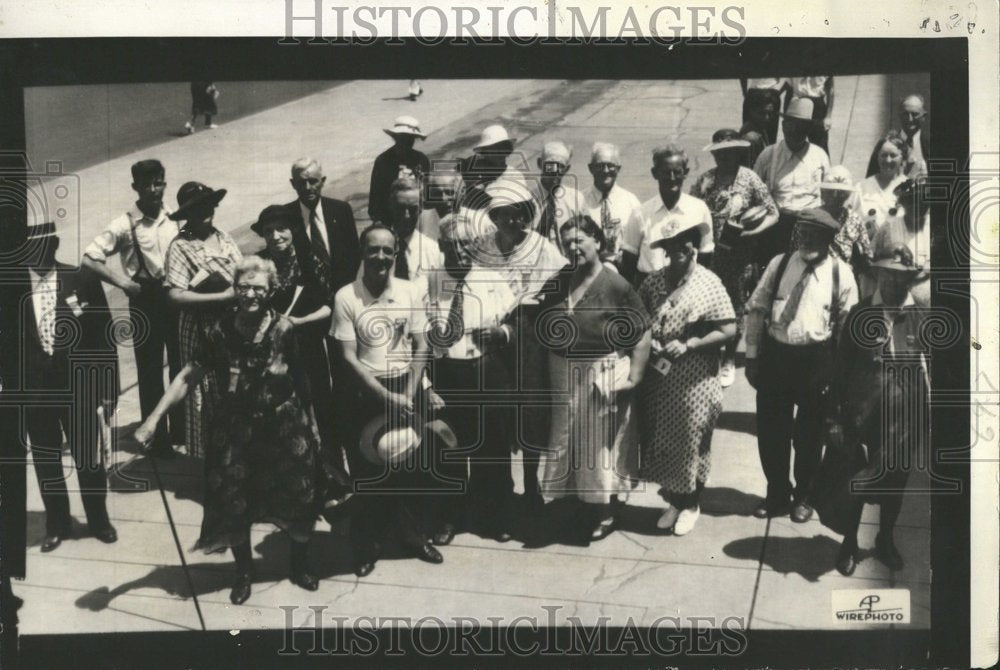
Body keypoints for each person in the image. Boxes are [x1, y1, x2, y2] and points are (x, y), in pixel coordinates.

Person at [136, 257, 329, 604]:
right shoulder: (218, 331)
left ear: (271, 291)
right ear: (234, 290)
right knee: (234, 500)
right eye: (244, 287)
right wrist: (153, 420)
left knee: (299, 494)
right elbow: (187, 376)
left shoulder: (284, 329)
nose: (251, 294)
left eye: (259, 288)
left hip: (285, 425)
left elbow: (302, 378)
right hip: (235, 428)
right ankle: (243, 572)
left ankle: (299, 564)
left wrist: (313, 424)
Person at [332, 224, 444, 577]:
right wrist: (385, 395)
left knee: (409, 469)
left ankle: (413, 536)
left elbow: (422, 345)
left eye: (387, 250)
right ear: (362, 254)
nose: (380, 257)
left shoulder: (411, 291)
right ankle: (367, 545)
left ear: (396, 254)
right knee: (369, 475)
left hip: (404, 387)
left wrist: (409, 392)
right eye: (373, 250)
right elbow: (348, 357)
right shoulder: (346, 297)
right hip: (364, 392)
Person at [815, 242, 930, 576]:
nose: (893, 283)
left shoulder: (921, 316)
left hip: (904, 425)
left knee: (894, 485)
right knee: (854, 484)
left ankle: (885, 539)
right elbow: (839, 371)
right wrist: (835, 419)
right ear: (878, 274)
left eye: (901, 277)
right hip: (859, 421)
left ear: (910, 280)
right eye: (887, 275)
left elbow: (934, 369)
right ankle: (849, 542)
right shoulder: (860, 314)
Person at [537, 215, 651, 541]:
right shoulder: (560, 280)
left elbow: (642, 332)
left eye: (579, 240)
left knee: (600, 445)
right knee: (566, 440)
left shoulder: (615, 285)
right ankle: (574, 504)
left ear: (597, 242)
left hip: (600, 370)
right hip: (562, 371)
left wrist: (634, 377)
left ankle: (605, 510)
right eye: (567, 242)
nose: (573, 247)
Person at [744, 209, 858, 522]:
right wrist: (752, 356)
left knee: (810, 436)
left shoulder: (841, 273)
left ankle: (804, 495)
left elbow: (848, 330)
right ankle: (777, 492)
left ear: (828, 239)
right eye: (801, 233)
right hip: (776, 359)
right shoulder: (779, 264)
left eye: (813, 234)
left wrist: (840, 374)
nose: (805, 239)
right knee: (771, 432)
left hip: (816, 363)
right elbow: (756, 310)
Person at [16, 222, 120, 553]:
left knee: (89, 460)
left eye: (42, 247)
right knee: (47, 462)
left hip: (79, 388)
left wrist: (108, 387)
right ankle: (57, 524)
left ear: (54, 245)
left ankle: (99, 520)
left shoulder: (81, 279)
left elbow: (104, 337)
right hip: (34, 393)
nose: (35, 255)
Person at [471, 174, 568, 510]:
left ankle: (531, 485)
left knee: (530, 411)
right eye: (504, 214)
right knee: (497, 415)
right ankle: (499, 489)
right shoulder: (483, 246)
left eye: (519, 213)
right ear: (494, 217)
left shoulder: (540, 247)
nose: (512, 221)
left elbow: (563, 280)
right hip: (489, 340)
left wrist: (535, 307)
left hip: (528, 340)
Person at [638, 216, 736, 535]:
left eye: (684, 242)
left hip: (695, 377)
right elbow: (637, 318)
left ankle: (691, 502)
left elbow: (728, 328)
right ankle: (675, 500)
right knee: (664, 438)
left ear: (694, 246)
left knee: (692, 439)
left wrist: (691, 344)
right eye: (671, 244)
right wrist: (648, 339)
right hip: (659, 378)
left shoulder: (709, 282)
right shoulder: (654, 282)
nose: (678, 249)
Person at [424, 215, 519, 544]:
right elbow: (414, 340)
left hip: (486, 370)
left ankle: (497, 516)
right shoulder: (428, 283)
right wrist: (426, 385)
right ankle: (449, 517)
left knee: (493, 448)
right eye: (453, 244)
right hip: (447, 373)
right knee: (447, 448)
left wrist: (503, 333)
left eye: (467, 243)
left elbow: (518, 324)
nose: (461, 250)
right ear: (440, 246)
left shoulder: (493, 279)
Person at [82, 159, 184, 459]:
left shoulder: (176, 218)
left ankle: (180, 428)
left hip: (175, 297)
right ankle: (156, 437)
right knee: (150, 370)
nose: (154, 189)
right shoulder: (125, 223)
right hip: (144, 301)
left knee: (181, 364)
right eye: (148, 184)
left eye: (159, 182)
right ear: (136, 187)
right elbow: (90, 258)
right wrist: (124, 283)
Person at [252, 205, 346, 493]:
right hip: (274, 351)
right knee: (281, 410)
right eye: (269, 231)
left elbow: (330, 305)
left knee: (318, 405)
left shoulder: (310, 258)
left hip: (307, 346)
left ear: (292, 230)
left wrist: (298, 321)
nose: (276, 236)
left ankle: (330, 475)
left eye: (281, 229)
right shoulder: (259, 263)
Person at [690, 129, 779, 387]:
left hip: (739, 257)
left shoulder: (749, 179)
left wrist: (753, 231)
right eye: (720, 154)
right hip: (709, 255)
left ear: (738, 154)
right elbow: (691, 209)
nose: (725, 159)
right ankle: (711, 353)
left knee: (735, 305)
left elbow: (773, 212)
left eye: (730, 153)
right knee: (707, 305)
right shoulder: (705, 181)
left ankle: (729, 355)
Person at [164, 182, 243, 459]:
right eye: (196, 208)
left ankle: (236, 458)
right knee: (205, 394)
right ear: (187, 214)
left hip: (232, 325)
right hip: (200, 328)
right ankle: (212, 464)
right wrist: (220, 298)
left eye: (208, 204)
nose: (205, 211)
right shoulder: (181, 244)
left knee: (233, 389)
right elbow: (175, 295)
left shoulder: (223, 236)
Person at [752, 97, 831, 266]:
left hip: (809, 227)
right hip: (777, 227)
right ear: (783, 125)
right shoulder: (768, 155)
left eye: (802, 126)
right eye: (792, 124)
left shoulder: (819, 156)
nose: (796, 130)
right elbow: (753, 194)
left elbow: (827, 196)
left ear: (809, 128)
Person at [621, 145, 714, 287]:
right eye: (665, 172)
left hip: (689, 288)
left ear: (686, 173)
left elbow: (705, 256)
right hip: (648, 288)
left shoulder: (699, 209)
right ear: (655, 173)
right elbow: (628, 263)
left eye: (677, 172)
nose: (672, 178)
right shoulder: (640, 213)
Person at [579, 142, 643, 269]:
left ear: (618, 168)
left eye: (611, 165)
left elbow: (640, 242)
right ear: (590, 168)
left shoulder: (631, 202)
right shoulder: (579, 201)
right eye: (600, 166)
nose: (606, 171)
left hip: (624, 272)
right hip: (588, 271)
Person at [379, 176, 443, 298]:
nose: (406, 216)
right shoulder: (376, 248)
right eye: (400, 208)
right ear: (391, 207)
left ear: (420, 209)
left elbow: (436, 299)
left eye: (413, 209)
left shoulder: (432, 250)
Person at [872, 178, 931, 307]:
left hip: (927, 302)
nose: (917, 205)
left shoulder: (936, 229)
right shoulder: (889, 226)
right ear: (902, 202)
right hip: (895, 301)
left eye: (922, 201)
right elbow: (873, 258)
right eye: (911, 201)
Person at [816, 166, 874, 293]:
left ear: (848, 195)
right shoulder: (812, 218)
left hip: (846, 281)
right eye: (831, 192)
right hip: (816, 279)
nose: (836, 196)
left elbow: (866, 255)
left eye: (842, 193)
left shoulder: (854, 219)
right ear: (823, 192)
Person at [368, 116, 430, 223]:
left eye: (411, 138)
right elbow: (376, 197)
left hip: (417, 217)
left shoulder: (421, 159)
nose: (407, 142)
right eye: (403, 137)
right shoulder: (383, 160)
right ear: (396, 137)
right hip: (390, 217)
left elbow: (428, 193)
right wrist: (379, 221)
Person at [533, 140, 585, 255]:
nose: (555, 171)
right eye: (550, 165)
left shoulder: (576, 199)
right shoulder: (528, 200)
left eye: (561, 166)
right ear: (539, 164)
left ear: (567, 169)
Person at [458, 125, 523, 211]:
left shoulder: (516, 176)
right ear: (485, 152)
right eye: (495, 150)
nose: (500, 154)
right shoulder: (475, 173)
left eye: (504, 149)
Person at [865, 95, 929, 179]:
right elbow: (871, 179)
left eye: (914, 114)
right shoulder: (884, 145)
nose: (910, 119)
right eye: (905, 114)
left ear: (923, 117)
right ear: (899, 115)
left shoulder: (930, 145)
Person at [785, 76, 834, 154]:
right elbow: (789, 90)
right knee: (795, 143)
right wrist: (786, 116)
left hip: (817, 107)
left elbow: (830, 91)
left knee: (820, 146)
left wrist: (828, 116)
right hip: (799, 104)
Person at [739, 77, 786, 150]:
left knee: (768, 136)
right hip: (767, 90)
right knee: (749, 134)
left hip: (759, 91)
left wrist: (745, 93)